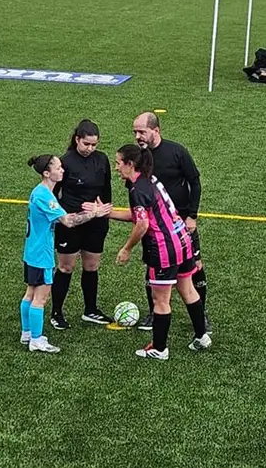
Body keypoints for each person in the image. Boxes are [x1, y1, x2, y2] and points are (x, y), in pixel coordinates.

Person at [110, 144, 212, 360]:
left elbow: (142, 224)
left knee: (160, 301)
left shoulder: (138, 190)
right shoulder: (151, 180)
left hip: (164, 248)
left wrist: (126, 248)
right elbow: (144, 215)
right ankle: (202, 336)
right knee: (188, 289)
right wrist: (108, 213)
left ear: (130, 164)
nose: (116, 167)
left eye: (118, 163)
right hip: (183, 240)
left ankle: (159, 348)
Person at [21, 154, 111, 354]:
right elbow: (69, 221)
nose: (63, 170)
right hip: (41, 253)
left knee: (30, 293)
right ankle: (36, 340)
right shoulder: (45, 196)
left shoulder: (40, 192)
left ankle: (27, 333)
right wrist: (94, 213)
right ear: (47, 173)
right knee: (40, 298)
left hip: (31, 251)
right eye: (59, 168)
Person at [132, 111, 208, 333]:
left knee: (195, 267)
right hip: (155, 226)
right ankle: (155, 312)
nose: (138, 136)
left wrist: (192, 215)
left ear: (156, 131)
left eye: (142, 132)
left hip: (181, 223)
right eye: (135, 132)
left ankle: (201, 314)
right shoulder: (139, 157)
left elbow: (194, 182)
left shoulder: (177, 151)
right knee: (153, 267)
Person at [49, 119, 114, 330]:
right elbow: (52, 193)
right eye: (86, 144)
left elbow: (106, 190)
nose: (90, 148)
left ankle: (91, 310)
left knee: (92, 266)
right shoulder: (65, 162)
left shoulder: (102, 160)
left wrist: (104, 212)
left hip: (95, 223)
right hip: (70, 223)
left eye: (94, 144)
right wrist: (62, 215)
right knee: (66, 267)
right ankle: (56, 312)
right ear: (77, 139)